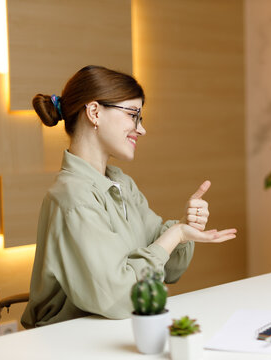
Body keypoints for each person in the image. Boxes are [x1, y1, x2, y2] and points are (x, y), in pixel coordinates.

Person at [21, 65, 237, 328]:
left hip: (112, 332)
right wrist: (176, 234)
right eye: (134, 115)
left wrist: (185, 226)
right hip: (67, 342)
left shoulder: (121, 182)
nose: (141, 129)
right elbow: (121, 298)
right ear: (94, 112)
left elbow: (168, 269)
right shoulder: (73, 197)